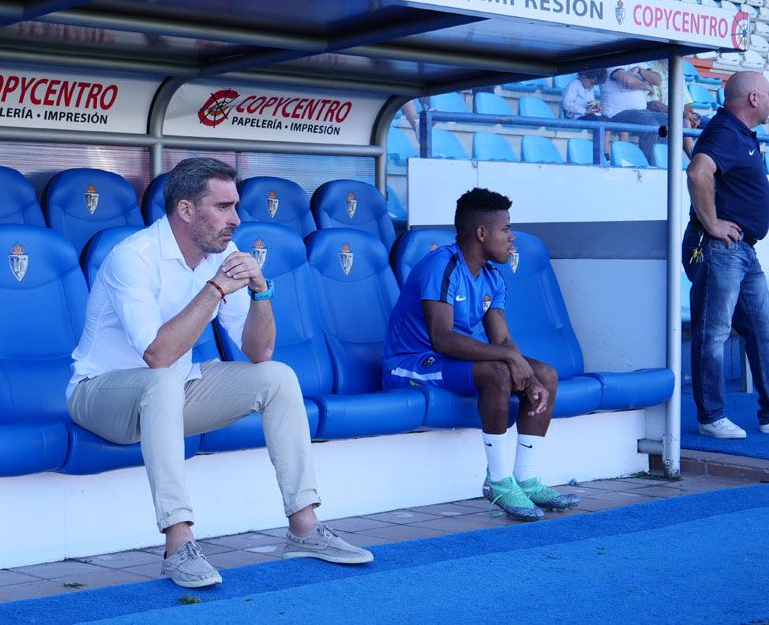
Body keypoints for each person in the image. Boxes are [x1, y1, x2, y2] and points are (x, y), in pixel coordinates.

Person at [67, 157, 373, 588]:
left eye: (236, 206)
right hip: (100, 395)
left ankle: (305, 528)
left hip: (173, 389)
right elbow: (158, 354)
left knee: (279, 377)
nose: (236, 219)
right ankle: (179, 544)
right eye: (224, 207)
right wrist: (213, 291)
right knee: (161, 380)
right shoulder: (131, 258)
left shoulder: (223, 253)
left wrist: (261, 289)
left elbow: (259, 350)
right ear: (187, 211)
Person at [381, 188, 580, 522]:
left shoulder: (491, 275)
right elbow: (441, 339)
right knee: (499, 372)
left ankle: (526, 479)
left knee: (545, 375)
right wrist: (511, 362)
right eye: (505, 230)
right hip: (411, 364)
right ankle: (499, 482)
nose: (512, 237)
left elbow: (501, 337)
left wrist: (525, 371)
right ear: (482, 233)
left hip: (449, 364)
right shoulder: (441, 265)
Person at [682, 71, 769, 439]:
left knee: (762, 331)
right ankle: (711, 416)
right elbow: (698, 173)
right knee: (713, 332)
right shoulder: (725, 131)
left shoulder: (738, 133)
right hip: (721, 248)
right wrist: (713, 223)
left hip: (742, 250)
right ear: (752, 99)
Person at [601, 65, 668, 161]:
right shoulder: (614, 61)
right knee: (651, 125)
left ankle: (662, 160)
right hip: (618, 113)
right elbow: (628, 81)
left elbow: (658, 80)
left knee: (667, 122)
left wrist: (641, 70)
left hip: (642, 111)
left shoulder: (638, 62)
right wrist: (646, 85)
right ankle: (650, 162)